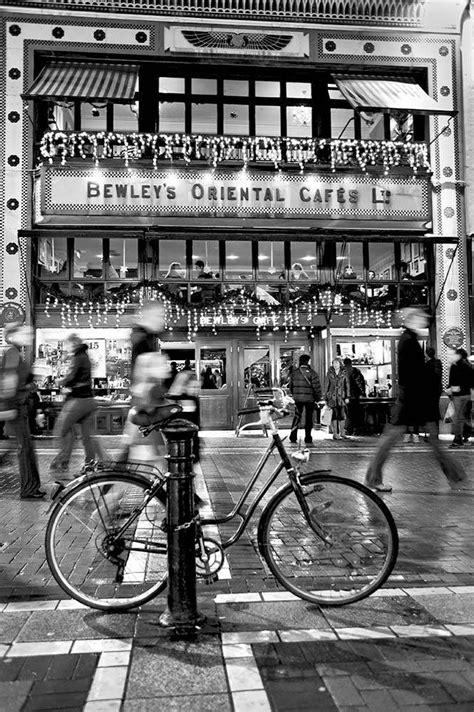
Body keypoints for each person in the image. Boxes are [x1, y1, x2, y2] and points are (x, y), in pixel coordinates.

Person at [365, 308, 467, 492]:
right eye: (421, 318)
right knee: (396, 440)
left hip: (413, 401)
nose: (424, 321)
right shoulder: (408, 342)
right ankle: (373, 478)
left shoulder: (409, 340)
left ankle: (455, 475)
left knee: (405, 440)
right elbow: (413, 375)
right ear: (412, 320)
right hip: (413, 401)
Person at [116, 302, 169, 464]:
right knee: (150, 458)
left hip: (145, 406)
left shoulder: (145, 337)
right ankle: (111, 483)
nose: (162, 320)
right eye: (159, 316)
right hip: (145, 407)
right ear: (148, 316)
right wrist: (158, 364)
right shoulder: (142, 337)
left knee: (138, 455)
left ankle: (111, 483)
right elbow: (146, 370)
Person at [0, 324, 45, 499]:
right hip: (16, 407)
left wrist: (29, 385)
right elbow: (9, 381)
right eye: (24, 333)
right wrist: (8, 407)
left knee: (24, 448)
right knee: (25, 449)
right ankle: (28, 489)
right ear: (12, 336)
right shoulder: (12, 353)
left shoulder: (16, 353)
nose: (29, 336)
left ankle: (31, 487)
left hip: (19, 406)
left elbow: (17, 382)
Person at [49, 334, 99, 473]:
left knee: (62, 430)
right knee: (87, 436)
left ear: (73, 344)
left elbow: (71, 376)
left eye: (68, 344)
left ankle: (61, 461)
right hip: (89, 400)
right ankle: (90, 463)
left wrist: (61, 381)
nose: (67, 347)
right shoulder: (85, 356)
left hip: (78, 400)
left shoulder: (78, 357)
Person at [288, 354, 321, 445]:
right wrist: (318, 398)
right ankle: (308, 437)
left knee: (297, 417)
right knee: (309, 418)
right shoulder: (312, 373)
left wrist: (295, 395)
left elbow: (291, 386)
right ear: (308, 361)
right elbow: (316, 387)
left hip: (298, 399)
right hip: (310, 399)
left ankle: (293, 436)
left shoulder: (295, 373)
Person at [446, 347, 473, 448]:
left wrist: (451, 389)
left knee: (457, 418)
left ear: (459, 356)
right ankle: (462, 437)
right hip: (467, 394)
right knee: (464, 417)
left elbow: (452, 382)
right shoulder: (469, 366)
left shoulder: (454, 366)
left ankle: (458, 439)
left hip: (458, 396)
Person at [325, 357, 349, 440]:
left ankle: (342, 432)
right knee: (334, 416)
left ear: (340, 364)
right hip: (332, 397)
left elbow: (347, 386)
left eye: (337, 363)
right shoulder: (329, 373)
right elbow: (327, 386)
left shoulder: (344, 373)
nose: (335, 365)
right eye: (334, 363)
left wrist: (347, 396)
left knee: (342, 416)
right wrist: (326, 397)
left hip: (341, 397)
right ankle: (335, 434)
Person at [423, 346, 443, 440]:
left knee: (430, 413)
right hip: (437, 391)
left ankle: (432, 434)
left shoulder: (427, 365)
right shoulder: (438, 363)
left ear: (427, 354)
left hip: (428, 392)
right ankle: (435, 433)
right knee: (435, 411)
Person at [343, 357, 366, 435]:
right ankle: (357, 429)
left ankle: (349, 429)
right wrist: (363, 393)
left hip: (346, 397)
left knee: (348, 413)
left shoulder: (342, 372)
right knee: (357, 413)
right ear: (351, 363)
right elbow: (360, 383)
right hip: (355, 396)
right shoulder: (355, 371)